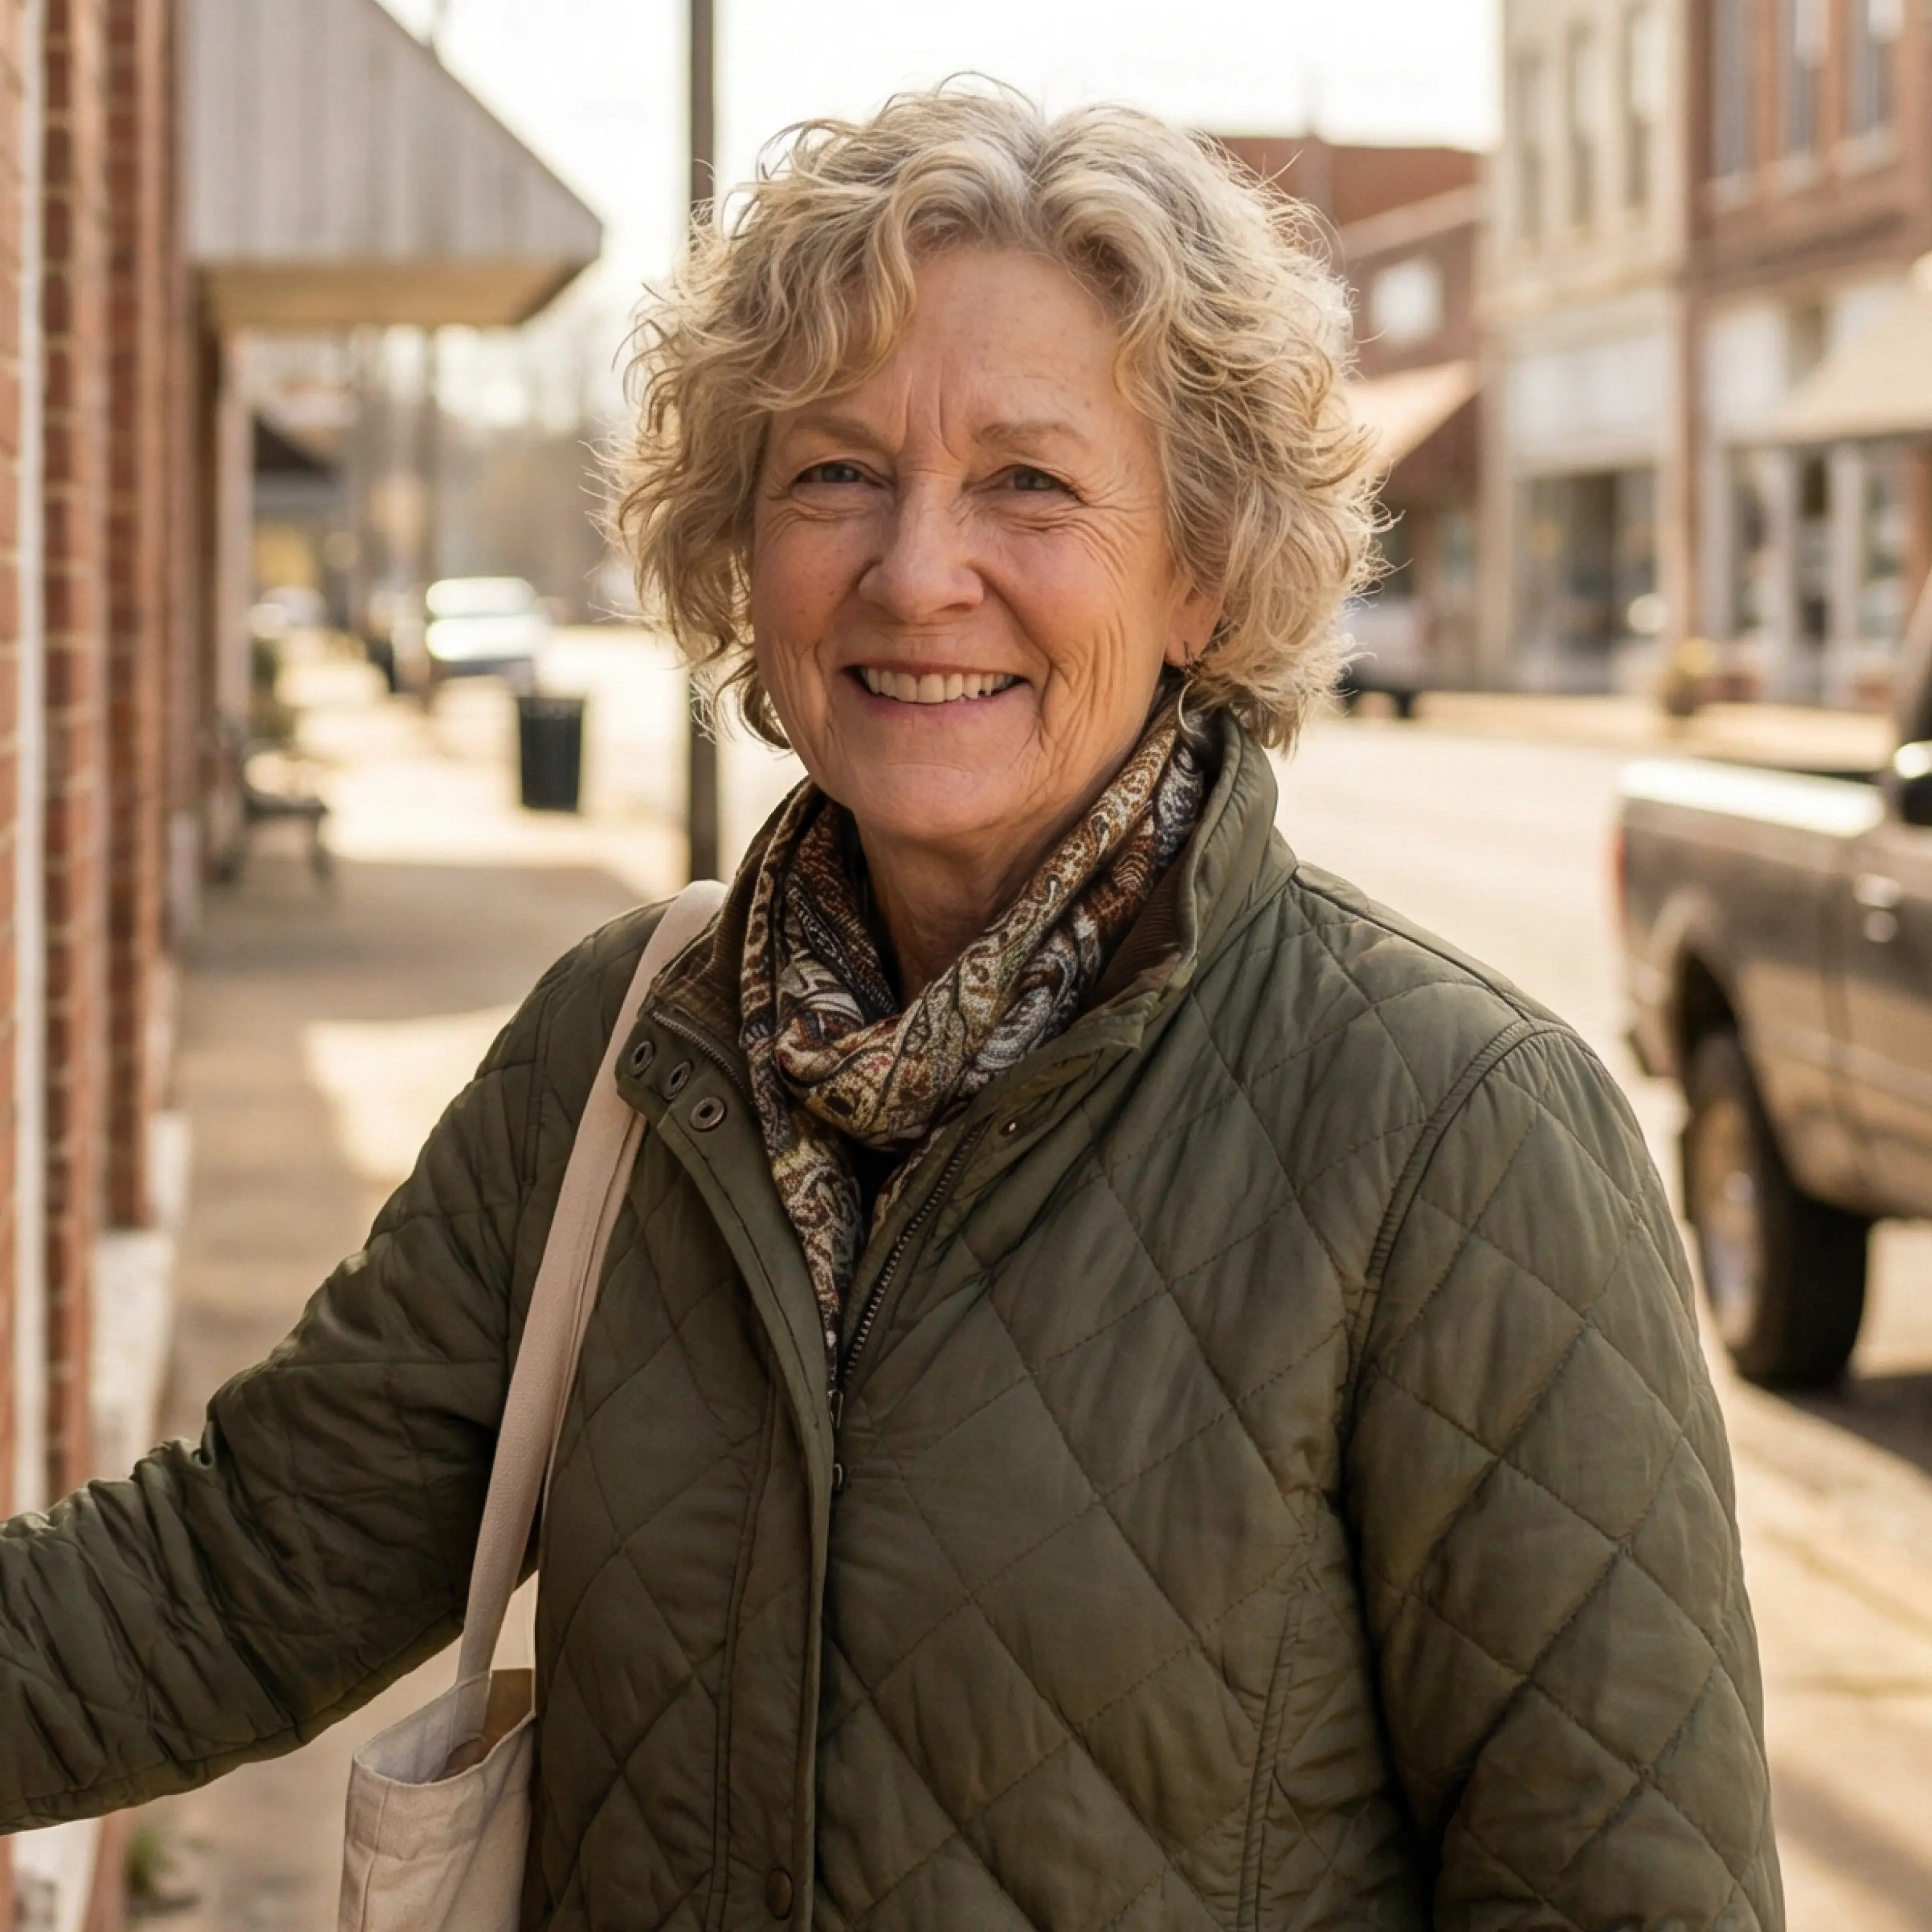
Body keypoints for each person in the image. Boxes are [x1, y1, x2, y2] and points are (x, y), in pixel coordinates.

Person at [0, 86, 1780, 1929]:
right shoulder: (624, 1053)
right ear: (740, 539)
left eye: (1030, 482)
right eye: (837, 473)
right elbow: (229, 1577)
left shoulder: (1455, 1132)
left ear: (1204, 570)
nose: (918, 571)